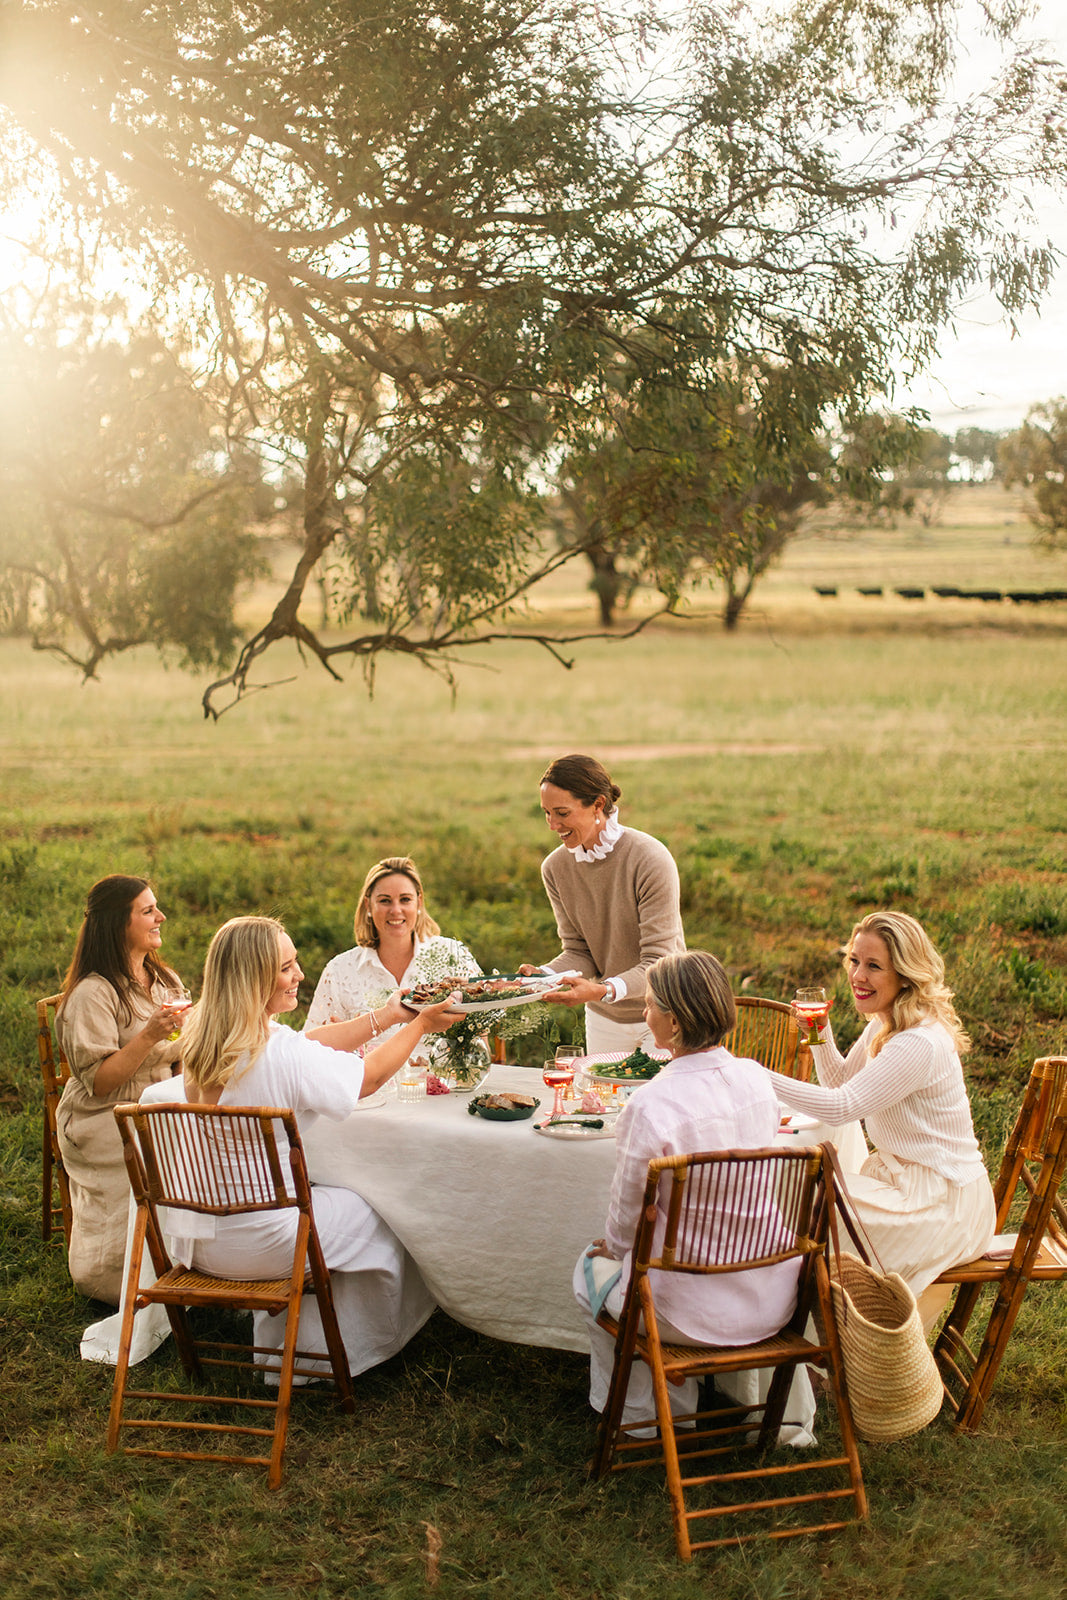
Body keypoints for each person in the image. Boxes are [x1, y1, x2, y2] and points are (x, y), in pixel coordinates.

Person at [178, 916, 461, 1375]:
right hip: (269, 1243)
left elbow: (305, 1043)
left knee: (340, 1202)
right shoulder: (279, 1054)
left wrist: (388, 1017)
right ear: (253, 978)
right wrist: (421, 1027)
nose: (300, 975)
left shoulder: (203, 1043)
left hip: (201, 1240)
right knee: (390, 1212)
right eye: (287, 967)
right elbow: (365, 1079)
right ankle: (337, 1352)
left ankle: (286, 1349)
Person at [573, 951, 811, 1436]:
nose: (644, 1014)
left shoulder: (650, 1103)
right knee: (635, 1259)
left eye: (650, 1006)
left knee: (592, 1268)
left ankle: (646, 1421)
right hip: (772, 1291)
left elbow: (626, 1217)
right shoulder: (755, 1079)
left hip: (683, 1312)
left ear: (675, 1023)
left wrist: (612, 1249)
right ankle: (764, 1414)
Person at [768, 911, 996, 1331]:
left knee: (803, 1210)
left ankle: (818, 1342)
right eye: (854, 960)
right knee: (795, 1196)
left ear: (906, 975)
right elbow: (841, 1080)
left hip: (946, 1203)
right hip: (909, 1184)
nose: (858, 975)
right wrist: (820, 1033)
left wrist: (755, 1075)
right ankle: (811, 1339)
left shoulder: (917, 1042)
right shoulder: (886, 1022)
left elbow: (840, 1106)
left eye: (874, 966)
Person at [55, 874, 191, 1304]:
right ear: (119, 923)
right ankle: (111, 1281)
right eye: (148, 910)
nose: (161, 917)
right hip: (105, 1116)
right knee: (162, 1161)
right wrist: (150, 1036)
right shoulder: (93, 993)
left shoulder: (162, 978)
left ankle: (192, 1269)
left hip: (160, 1104)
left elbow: (182, 1047)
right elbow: (98, 1082)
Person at [522, 753, 685, 1054]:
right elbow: (579, 951)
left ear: (597, 805)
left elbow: (658, 961)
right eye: (546, 813)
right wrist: (542, 977)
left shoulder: (649, 859)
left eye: (562, 813)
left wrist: (602, 989)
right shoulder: (555, 868)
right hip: (604, 1018)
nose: (552, 824)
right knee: (601, 1100)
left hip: (667, 1011)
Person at [305, 856, 480, 1050]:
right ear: (368, 906)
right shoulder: (339, 971)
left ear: (419, 903)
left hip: (444, 1079)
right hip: (367, 1079)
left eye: (405, 899)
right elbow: (312, 1050)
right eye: (385, 901)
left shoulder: (453, 955)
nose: (396, 910)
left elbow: (481, 1034)